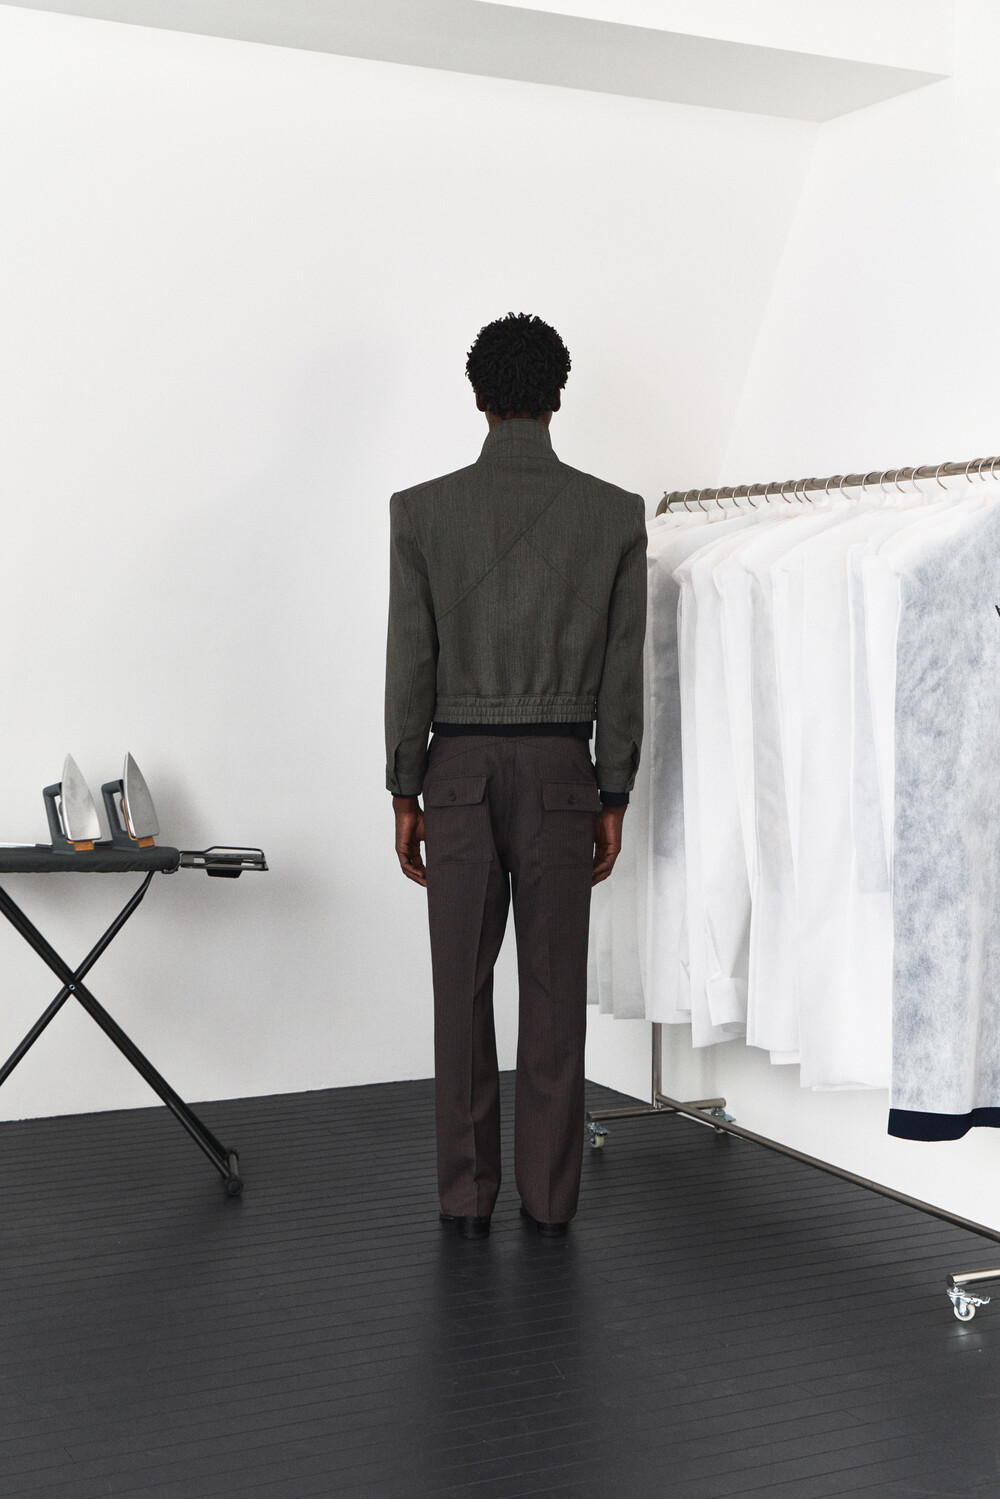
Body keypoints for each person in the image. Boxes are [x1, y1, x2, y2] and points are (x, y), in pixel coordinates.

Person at [385, 312, 646, 1240]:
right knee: (554, 991)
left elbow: (410, 661)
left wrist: (404, 787)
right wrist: (614, 791)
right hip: (563, 777)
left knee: (460, 990)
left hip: (455, 773)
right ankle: (550, 1196)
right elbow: (622, 673)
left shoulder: (420, 511)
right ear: (557, 396)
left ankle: (466, 1195)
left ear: (479, 397)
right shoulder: (614, 514)